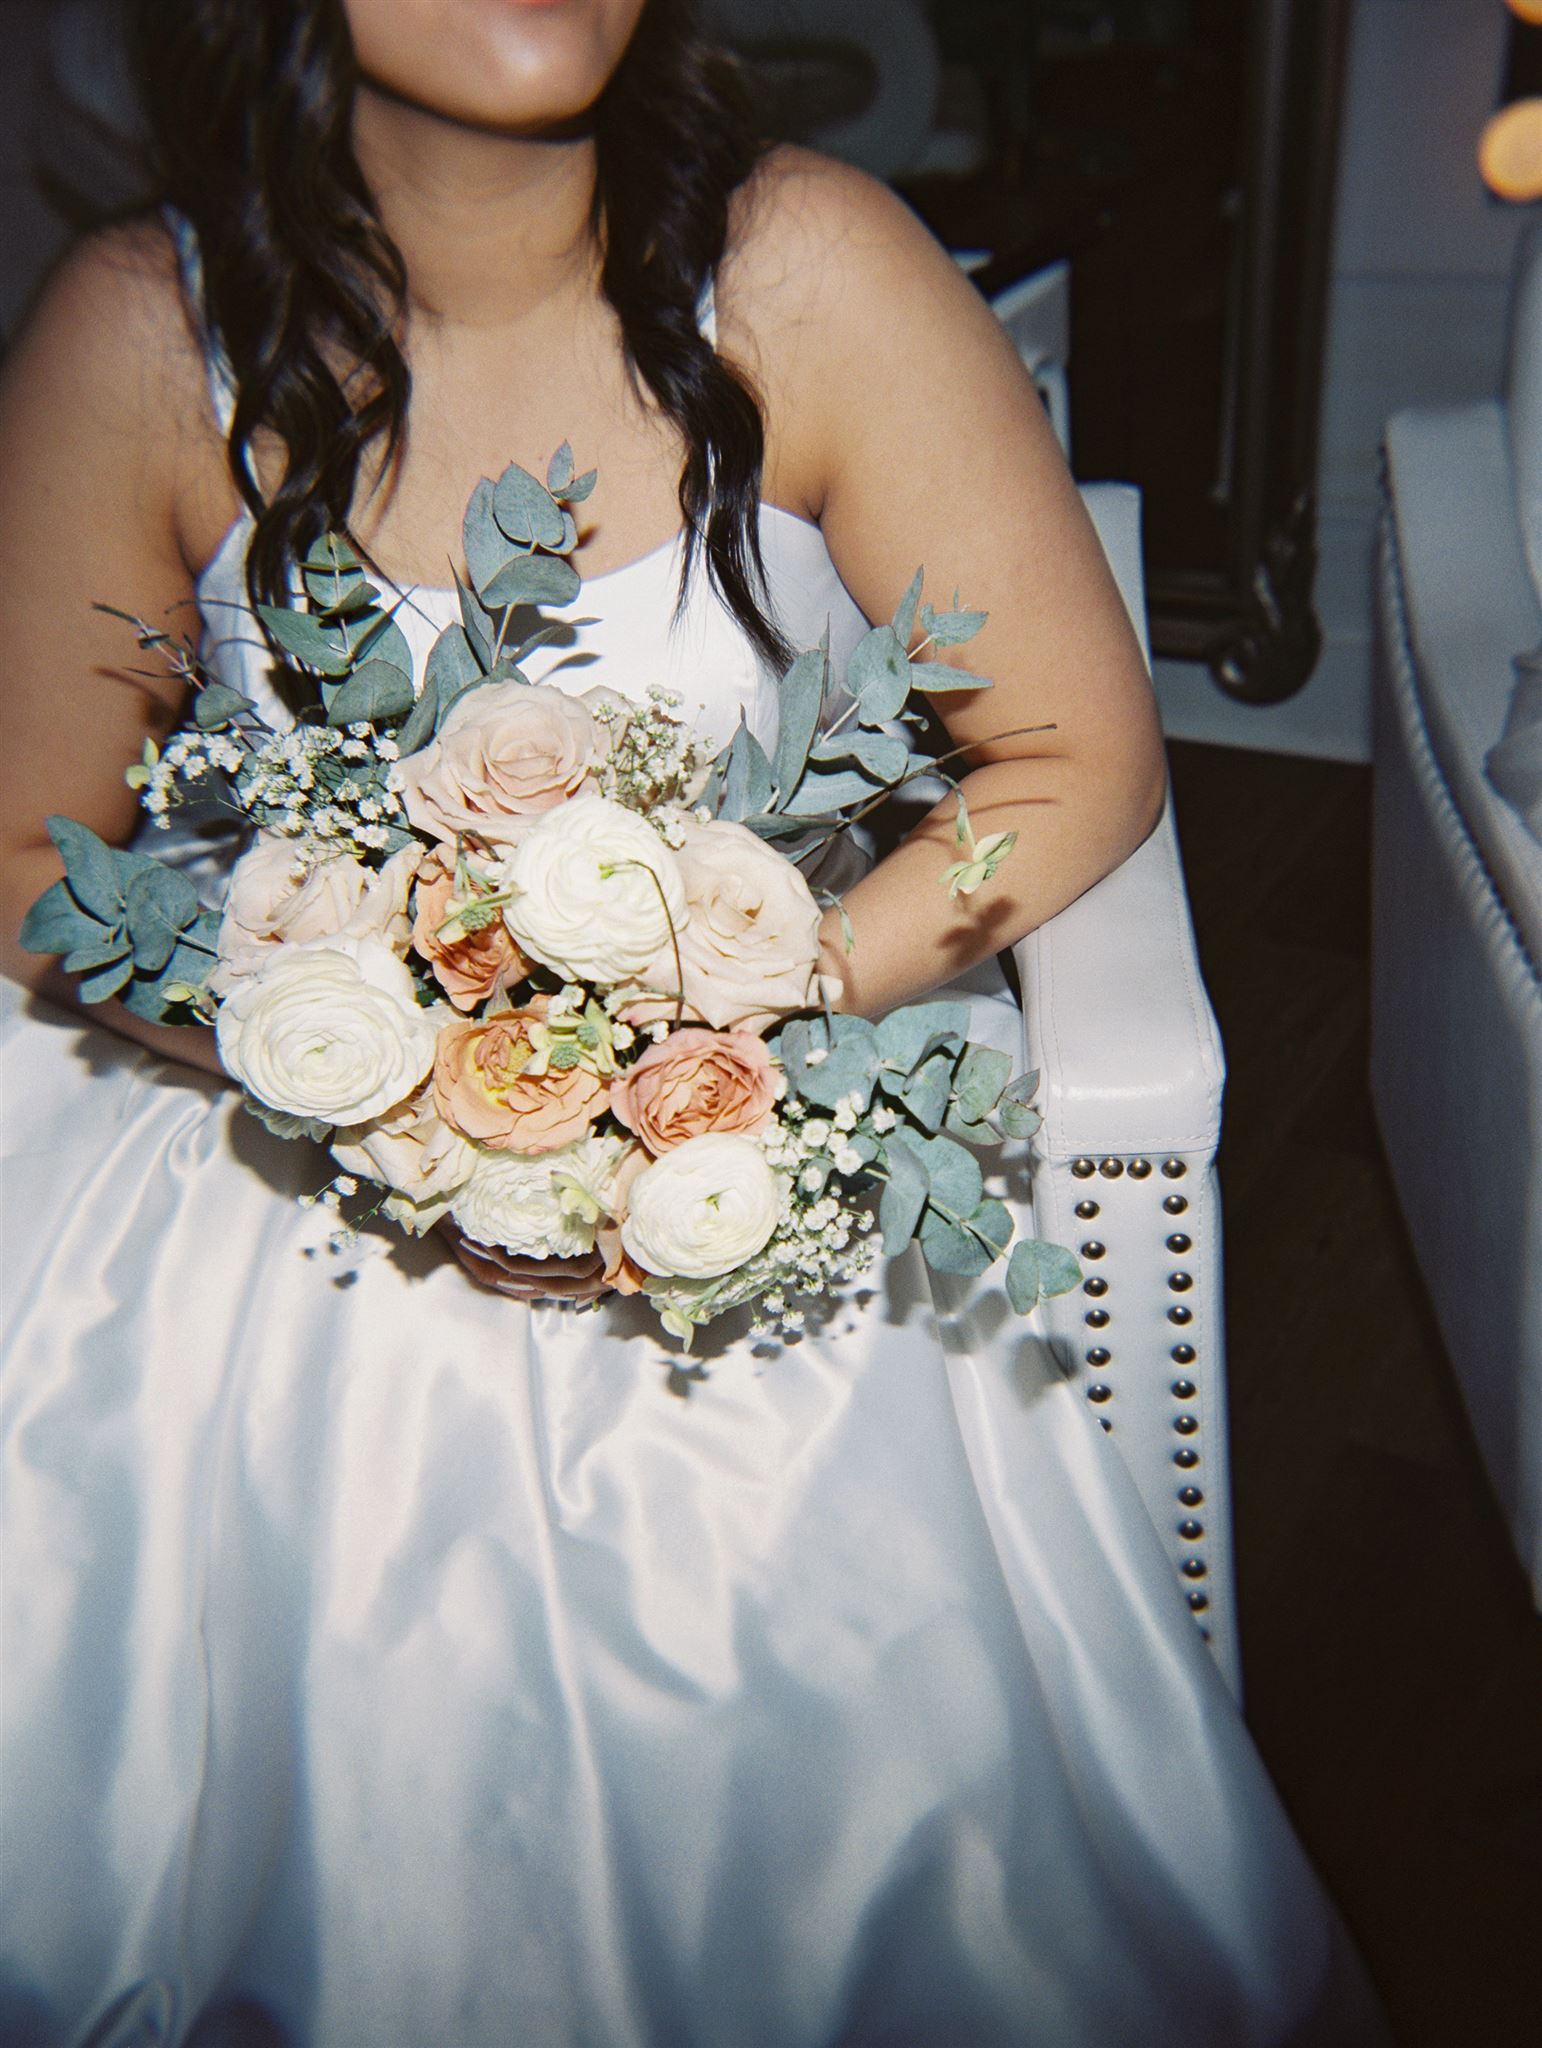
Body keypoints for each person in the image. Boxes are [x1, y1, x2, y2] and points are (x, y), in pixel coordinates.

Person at [0, 3, 1387, 2042]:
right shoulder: (141, 328)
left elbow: (1075, 748)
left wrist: (756, 1001)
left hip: (746, 1137)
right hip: (265, 1156)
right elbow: (36, 865)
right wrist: (375, 1066)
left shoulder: (808, 268)